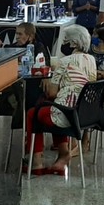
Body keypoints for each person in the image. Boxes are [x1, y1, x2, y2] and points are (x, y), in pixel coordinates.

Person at [24, 24, 97, 175]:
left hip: (66, 114)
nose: (63, 44)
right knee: (54, 108)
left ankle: (36, 162)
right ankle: (63, 153)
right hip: (85, 113)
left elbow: (51, 92)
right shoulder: (91, 60)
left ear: (73, 43)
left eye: (65, 40)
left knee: (33, 113)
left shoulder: (65, 62)